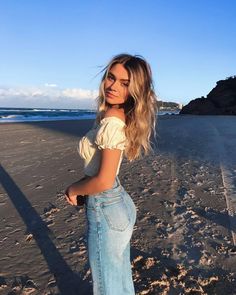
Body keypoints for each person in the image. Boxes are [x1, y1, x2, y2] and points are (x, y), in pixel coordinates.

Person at [65, 53, 158, 295]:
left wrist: (74, 189)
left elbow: (103, 180)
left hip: (106, 207)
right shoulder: (118, 114)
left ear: (135, 90)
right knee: (119, 280)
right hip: (119, 204)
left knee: (108, 287)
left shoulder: (112, 119)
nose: (113, 86)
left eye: (124, 83)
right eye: (111, 77)